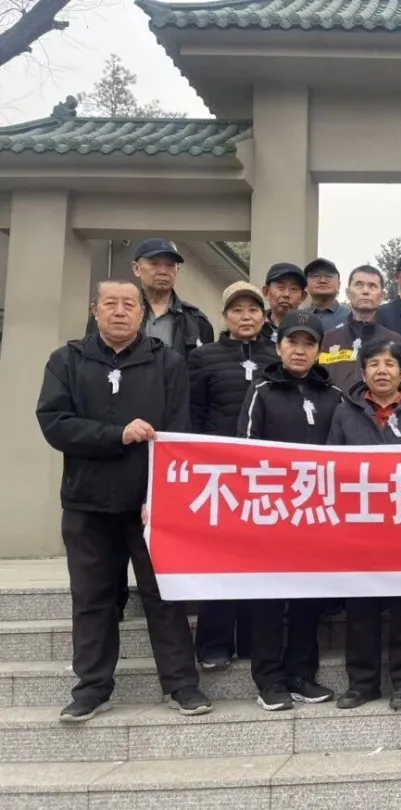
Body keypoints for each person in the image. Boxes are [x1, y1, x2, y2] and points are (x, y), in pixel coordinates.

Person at [37, 278, 213, 721]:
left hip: (149, 505)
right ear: (95, 310)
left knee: (163, 595)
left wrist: (164, 495)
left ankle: (181, 684)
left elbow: (177, 433)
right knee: (92, 598)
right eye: (110, 303)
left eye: (129, 304)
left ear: (141, 314)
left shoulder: (167, 362)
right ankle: (92, 688)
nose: (120, 311)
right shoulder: (67, 360)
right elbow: (55, 424)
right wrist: (116, 434)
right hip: (87, 503)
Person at [238, 310, 342, 711]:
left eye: (308, 344)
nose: (300, 351)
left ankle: (301, 674)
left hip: (317, 515)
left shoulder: (334, 396)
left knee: (307, 599)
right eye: (292, 342)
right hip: (272, 513)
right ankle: (269, 679)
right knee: (268, 598)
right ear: (278, 347)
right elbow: (245, 451)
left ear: (319, 351)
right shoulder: (262, 391)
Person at [327, 339, 401, 710]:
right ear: (363, 373)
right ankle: (362, 684)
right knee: (361, 608)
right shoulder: (345, 412)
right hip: (362, 526)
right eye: (374, 364)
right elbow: (330, 467)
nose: (382, 371)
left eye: (390, 364)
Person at [187, 281, 277, 670]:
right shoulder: (203, 358)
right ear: (224, 317)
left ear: (264, 316)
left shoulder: (276, 356)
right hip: (219, 472)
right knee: (221, 558)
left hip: (265, 474)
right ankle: (214, 643)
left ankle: (254, 640)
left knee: (260, 558)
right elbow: (191, 414)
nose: (246, 316)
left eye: (253, 309)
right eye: (237, 310)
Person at [85, 238, 214, 359]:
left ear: (177, 270)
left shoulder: (196, 320)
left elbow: (204, 367)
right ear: (136, 268)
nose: (163, 271)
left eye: (170, 265)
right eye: (154, 264)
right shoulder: (109, 314)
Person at [319, 265, 401, 390]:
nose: (365, 291)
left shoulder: (396, 341)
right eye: (359, 285)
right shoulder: (328, 339)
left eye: (372, 286)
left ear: (382, 296)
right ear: (348, 293)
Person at [261, 262, 308, 342]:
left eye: (293, 289)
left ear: (302, 297)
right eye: (281, 287)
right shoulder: (253, 326)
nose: (286, 294)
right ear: (266, 292)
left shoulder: (310, 330)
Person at [304, 258, 351, 331]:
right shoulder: (298, 318)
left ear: (339, 285)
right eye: (316, 276)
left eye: (329, 276)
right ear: (306, 285)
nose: (322, 280)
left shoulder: (352, 318)